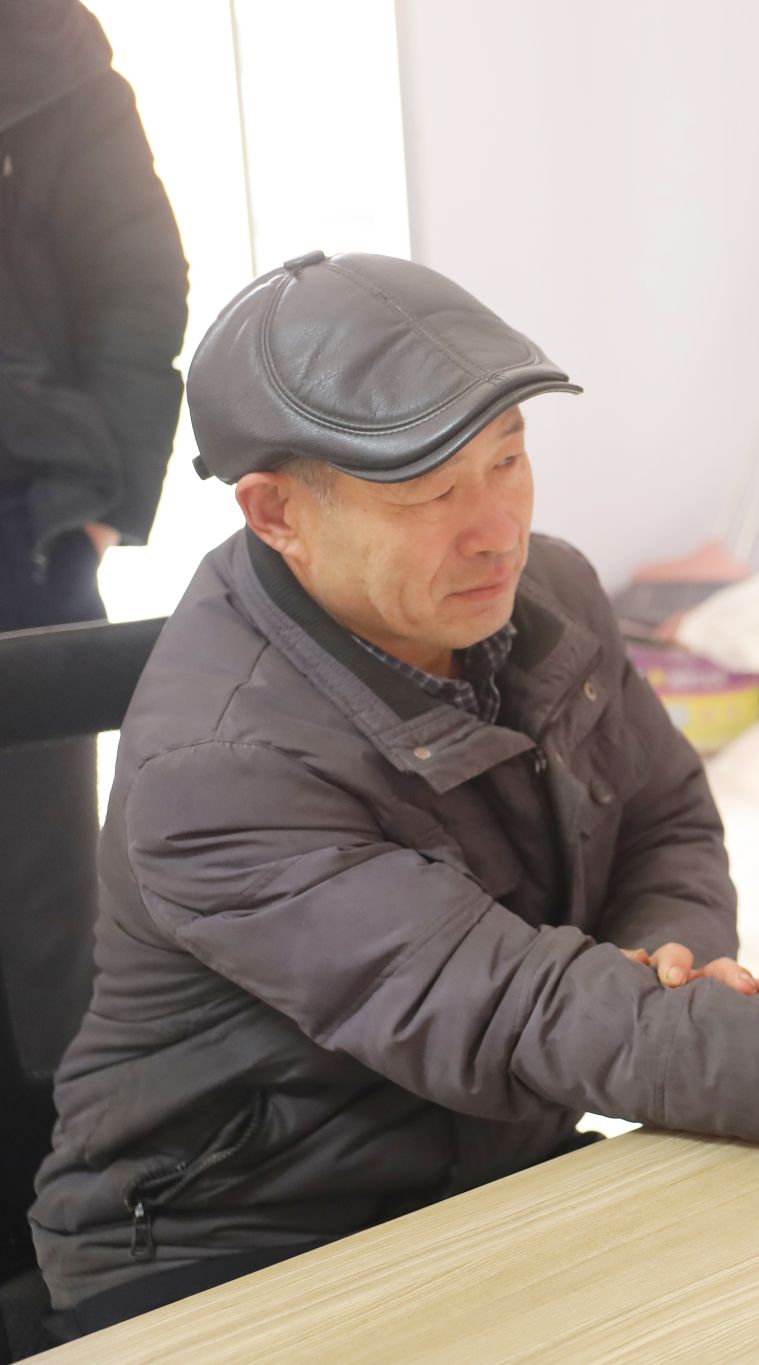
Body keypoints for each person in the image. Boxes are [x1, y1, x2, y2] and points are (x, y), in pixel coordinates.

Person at [30, 252, 759, 1338]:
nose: (495, 528)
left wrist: (667, 958)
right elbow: (512, 1009)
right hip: (238, 1238)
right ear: (276, 513)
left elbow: (664, 818)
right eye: (429, 493)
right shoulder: (217, 768)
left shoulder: (547, 593)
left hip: (490, 1162)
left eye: (507, 459)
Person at [0, 0, 188, 1287]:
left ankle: (50, 1242)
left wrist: (103, 497)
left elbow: (137, 271)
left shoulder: (44, 46)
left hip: (24, 526)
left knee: (38, 921)